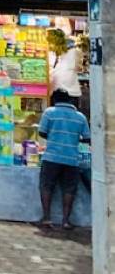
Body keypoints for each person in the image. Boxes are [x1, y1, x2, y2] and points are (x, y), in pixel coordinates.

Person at [37, 89, 91, 230]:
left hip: (51, 157)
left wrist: (54, 136)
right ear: (69, 100)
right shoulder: (80, 117)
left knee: (46, 186)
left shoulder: (49, 112)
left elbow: (42, 132)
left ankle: (47, 218)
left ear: (55, 100)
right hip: (72, 159)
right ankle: (65, 221)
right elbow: (87, 138)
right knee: (69, 189)